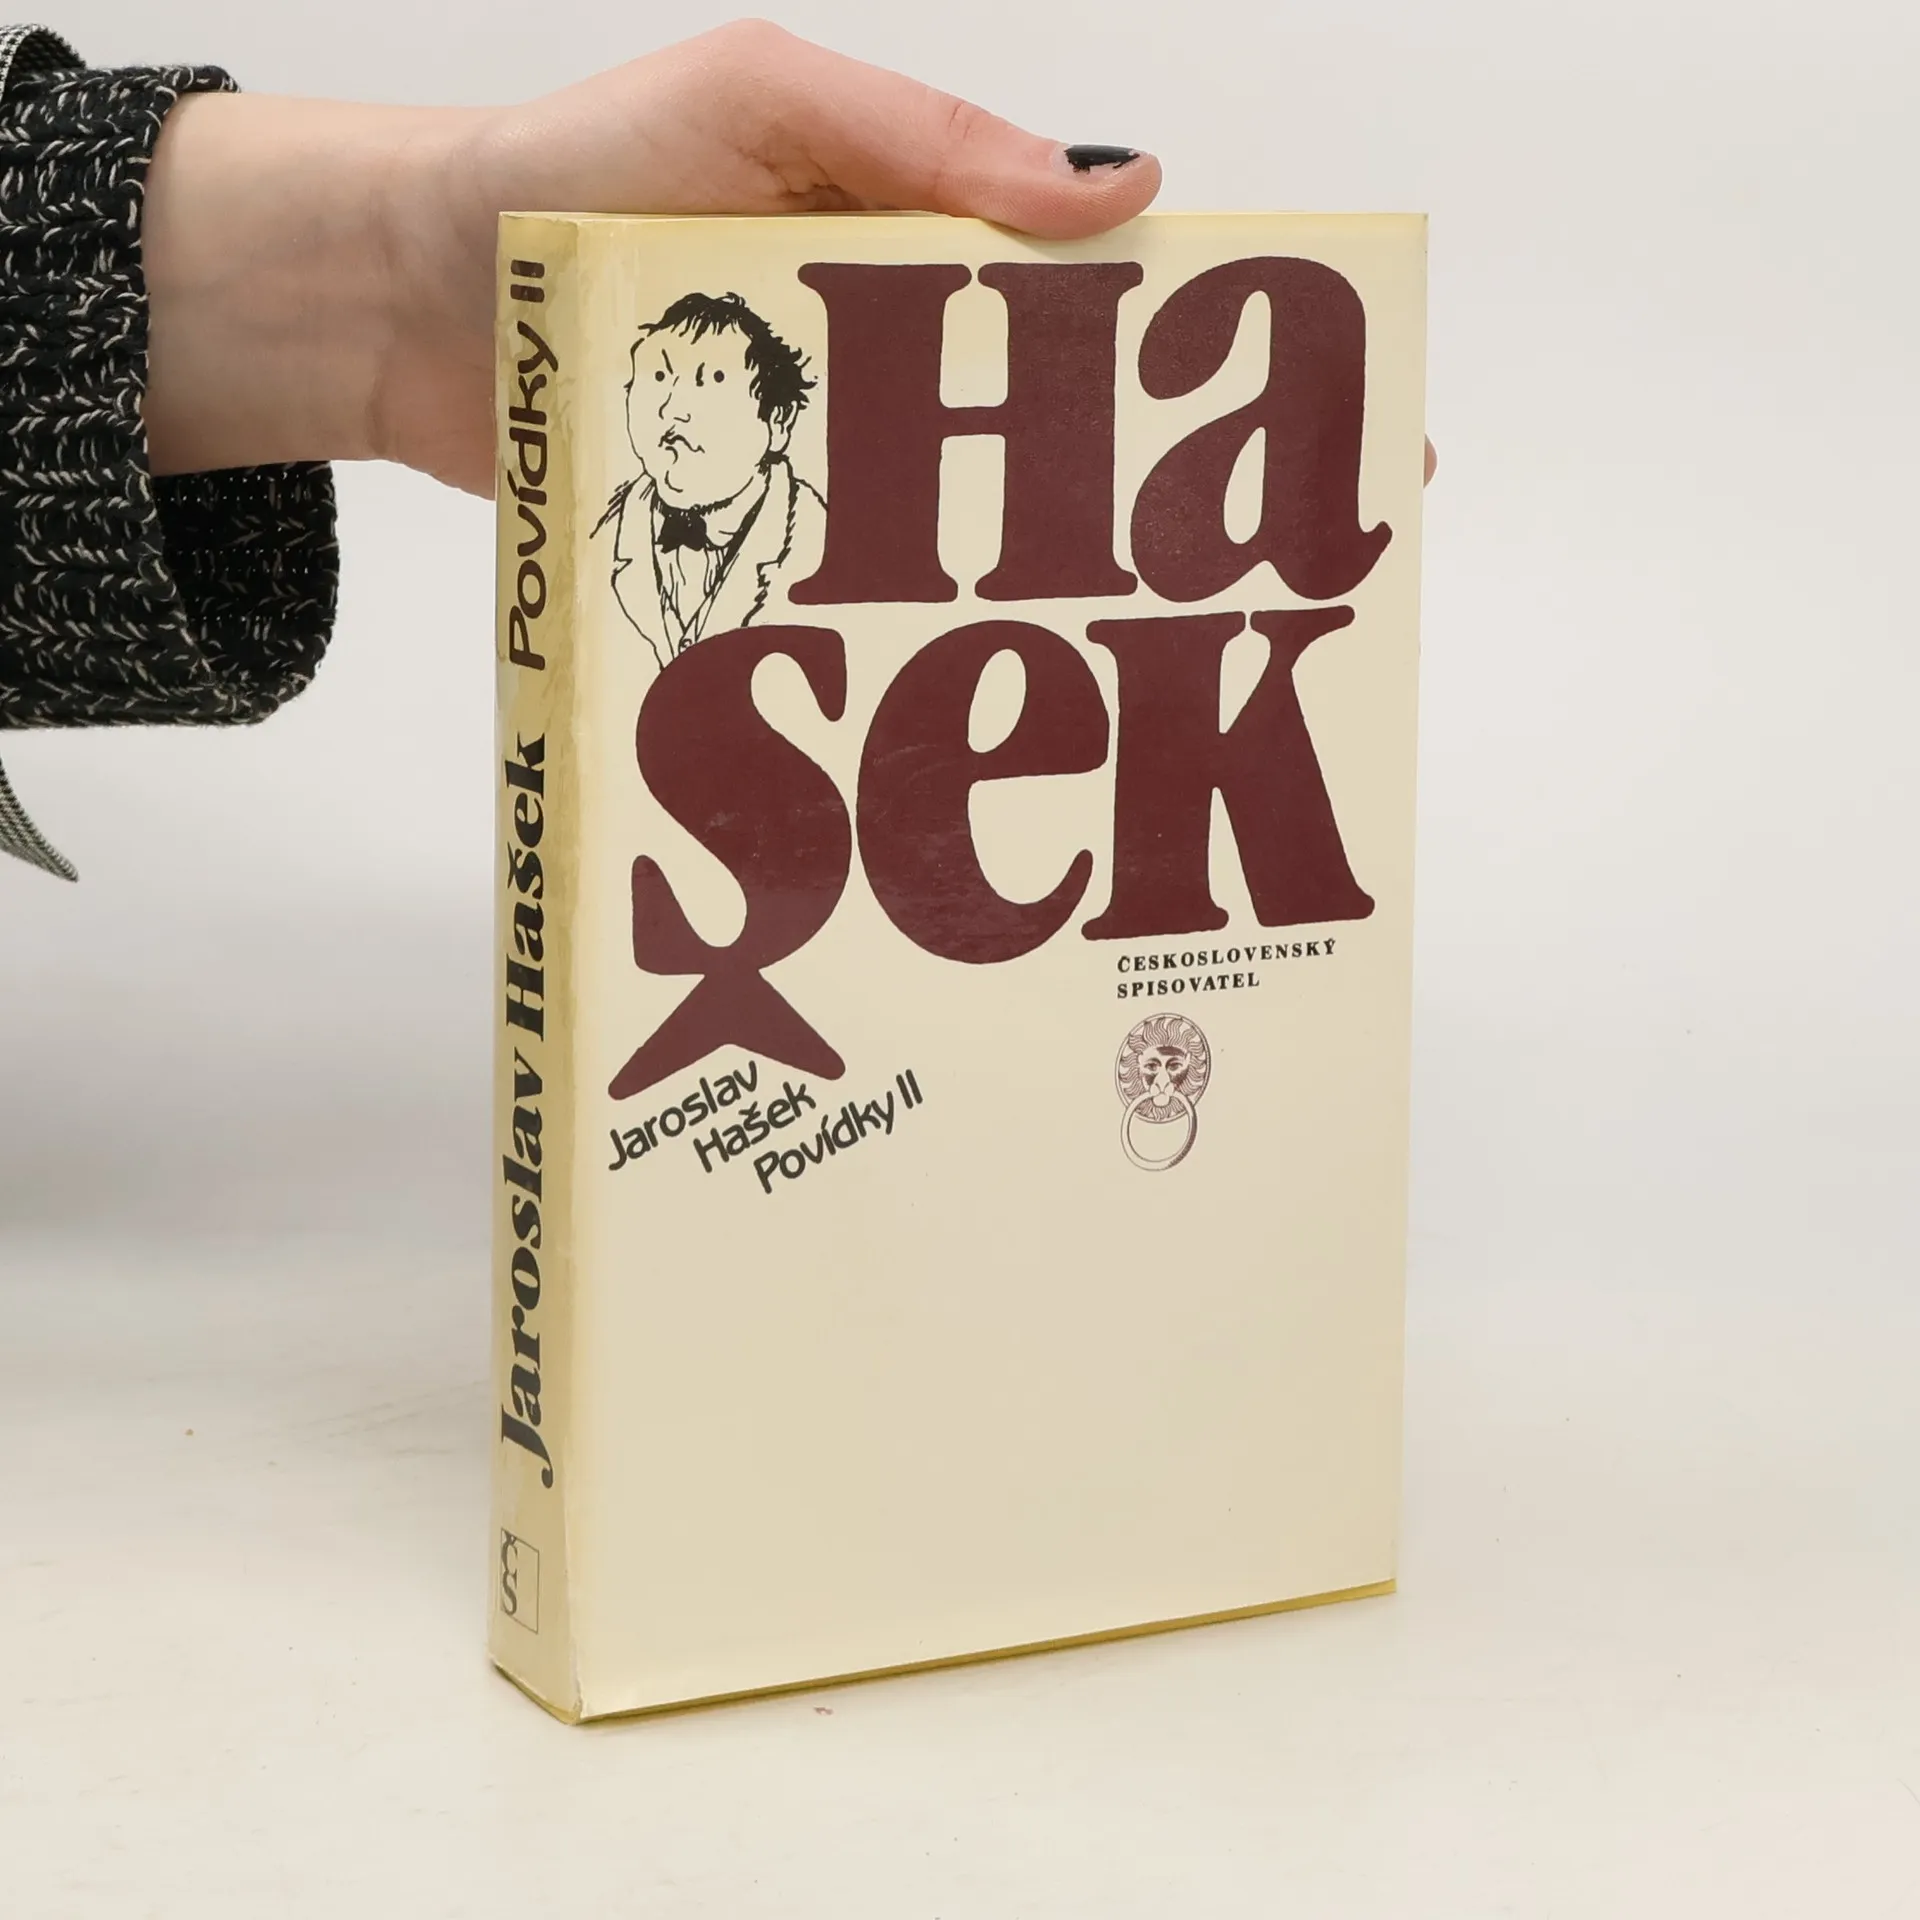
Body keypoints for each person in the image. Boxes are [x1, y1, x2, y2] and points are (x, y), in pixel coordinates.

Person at [0, 19, 1164, 880]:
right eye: (671, 380)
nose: (677, 413)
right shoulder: (626, 537)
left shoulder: (810, 532)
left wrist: (406, 263)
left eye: (713, 387)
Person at [599, 291, 826, 671]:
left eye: (712, 381)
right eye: (657, 377)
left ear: (778, 420)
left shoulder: (820, 543)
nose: (672, 408)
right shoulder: (595, 530)